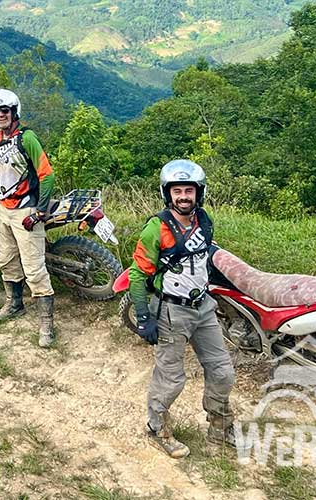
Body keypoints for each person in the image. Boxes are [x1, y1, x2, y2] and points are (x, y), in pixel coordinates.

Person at [129, 159, 236, 458]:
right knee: (171, 378)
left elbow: (204, 257)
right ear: (168, 194)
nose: (184, 197)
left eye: (189, 190)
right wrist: (143, 317)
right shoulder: (157, 228)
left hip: (203, 307)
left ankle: (221, 427)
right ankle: (157, 428)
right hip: (171, 311)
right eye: (177, 191)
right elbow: (138, 273)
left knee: (223, 371)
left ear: (198, 193)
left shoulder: (204, 220)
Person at [0, 88, 57, 348]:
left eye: (5, 111)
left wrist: (39, 211)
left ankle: (46, 324)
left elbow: (47, 175)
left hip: (26, 210)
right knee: (6, 260)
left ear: (14, 112)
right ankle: (14, 304)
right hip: (4, 208)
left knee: (34, 269)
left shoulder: (28, 139)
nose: (1, 115)